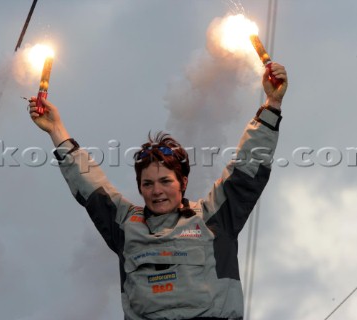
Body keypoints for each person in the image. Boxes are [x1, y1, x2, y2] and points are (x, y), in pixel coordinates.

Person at [28, 63, 288, 320]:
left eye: (165, 181)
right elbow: (91, 185)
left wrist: (272, 104)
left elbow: (246, 170)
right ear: (140, 187)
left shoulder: (214, 217)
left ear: (183, 183)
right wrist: (56, 130)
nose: (157, 191)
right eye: (148, 184)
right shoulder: (125, 225)